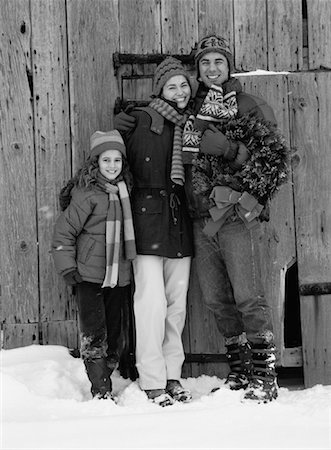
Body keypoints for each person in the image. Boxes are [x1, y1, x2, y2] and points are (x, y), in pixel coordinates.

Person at [181, 35, 289, 403]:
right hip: (198, 217)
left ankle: (265, 373)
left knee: (247, 296)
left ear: (230, 67)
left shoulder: (249, 105)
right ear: (197, 70)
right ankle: (241, 370)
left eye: (219, 62)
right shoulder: (190, 110)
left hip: (233, 216)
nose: (212, 69)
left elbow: (272, 161)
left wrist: (229, 149)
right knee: (215, 299)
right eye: (205, 63)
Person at [116, 57, 194, 406]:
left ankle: (172, 374)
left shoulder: (191, 123)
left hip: (179, 220)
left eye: (183, 85)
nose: (179, 91)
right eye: (171, 86)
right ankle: (151, 379)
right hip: (147, 217)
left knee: (176, 304)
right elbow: (116, 161)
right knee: (151, 302)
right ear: (160, 89)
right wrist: (121, 127)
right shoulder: (143, 119)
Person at [52, 130, 136, 400]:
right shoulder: (86, 194)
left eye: (117, 161)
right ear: (95, 163)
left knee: (114, 332)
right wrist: (68, 268)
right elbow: (64, 232)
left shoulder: (126, 191)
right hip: (88, 275)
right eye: (106, 160)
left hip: (118, 276)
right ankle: (100, 389)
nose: (112, 166)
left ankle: (105, 374)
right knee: (94, 333)